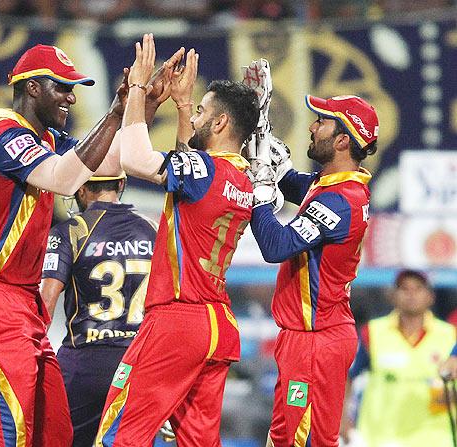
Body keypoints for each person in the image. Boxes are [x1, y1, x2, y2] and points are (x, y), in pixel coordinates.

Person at [0, 43, 179, 446]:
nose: (71, 96)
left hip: (19, 304)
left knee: (55, 432)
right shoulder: (7, 138)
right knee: (11, 433)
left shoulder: (46, 139)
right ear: (33, 88)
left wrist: (140, 105)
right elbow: (66, 179)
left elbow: (109, 161)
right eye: (62, 87)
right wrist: (114, 113)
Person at [95, 34, 261, 446]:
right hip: (217, 325)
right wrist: (186, 105)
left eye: (204, 111)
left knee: (119, 433)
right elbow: (192, 163)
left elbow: (133, 160)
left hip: (176, 319)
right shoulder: (242, 179)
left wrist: (137, 87)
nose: (195, 113)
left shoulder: (204, 171)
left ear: (220, 123)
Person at [247, 93, 379, 447]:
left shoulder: (340, 200)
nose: (312, 126)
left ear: (341, 141)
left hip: (315, 341)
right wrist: (262, 133)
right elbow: (295, 184)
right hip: (308, 337)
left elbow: (277, 246)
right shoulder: (335, 186)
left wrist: (259, 194)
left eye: (322, 122)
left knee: (303, 441)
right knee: (285, 438)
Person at [40, 173, 157, 447]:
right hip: (136, 364)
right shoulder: (152, 229)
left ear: (80, 189)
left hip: (83, 363)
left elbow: (46, 302)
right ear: (121, 185)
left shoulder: (70, 230)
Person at [340, 269, 456, 446]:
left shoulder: (450, 335)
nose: (411, 295)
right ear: (393, 296)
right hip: (381, 438)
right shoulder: (372, 332)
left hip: (436, 437)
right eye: (404, 289)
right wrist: (342, 420)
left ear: (431, 296)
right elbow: (347, 377)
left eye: (418, 289)